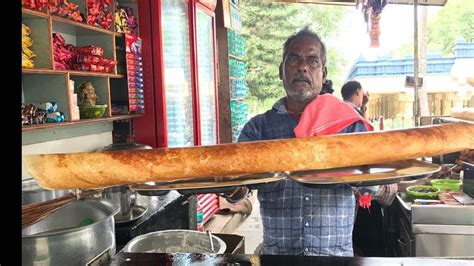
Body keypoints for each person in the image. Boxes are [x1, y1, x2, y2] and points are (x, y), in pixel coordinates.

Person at [238, 27, 392, 256]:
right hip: (278, 260)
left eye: (312, 60)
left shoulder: (349, 125)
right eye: (294, 59)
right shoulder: (258, 129)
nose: (302, 67)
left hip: (335, 259)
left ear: (324, 73)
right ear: (281, 71)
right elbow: (239, 189)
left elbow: (388, 193)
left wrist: (360, 177)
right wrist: (229, 188)